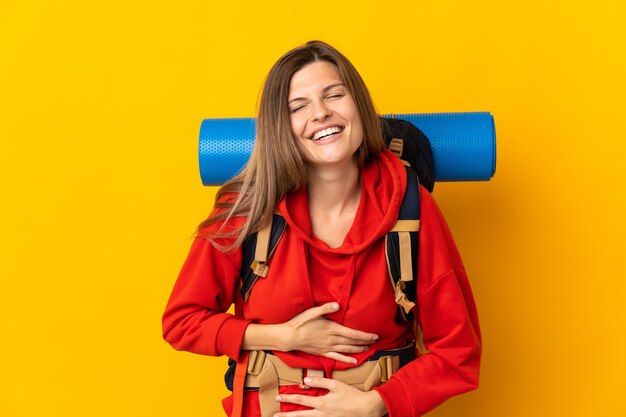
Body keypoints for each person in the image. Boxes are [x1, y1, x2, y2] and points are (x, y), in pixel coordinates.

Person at [162, 40, 481, 417]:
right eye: (298, 107)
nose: (321, 114)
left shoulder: (412, 209)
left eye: (334, 95)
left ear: (359, 106)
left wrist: (376, 404)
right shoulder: (246, 209)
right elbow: (181, 321)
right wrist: (281, 335)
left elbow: (459, 351)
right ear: (282, 127)